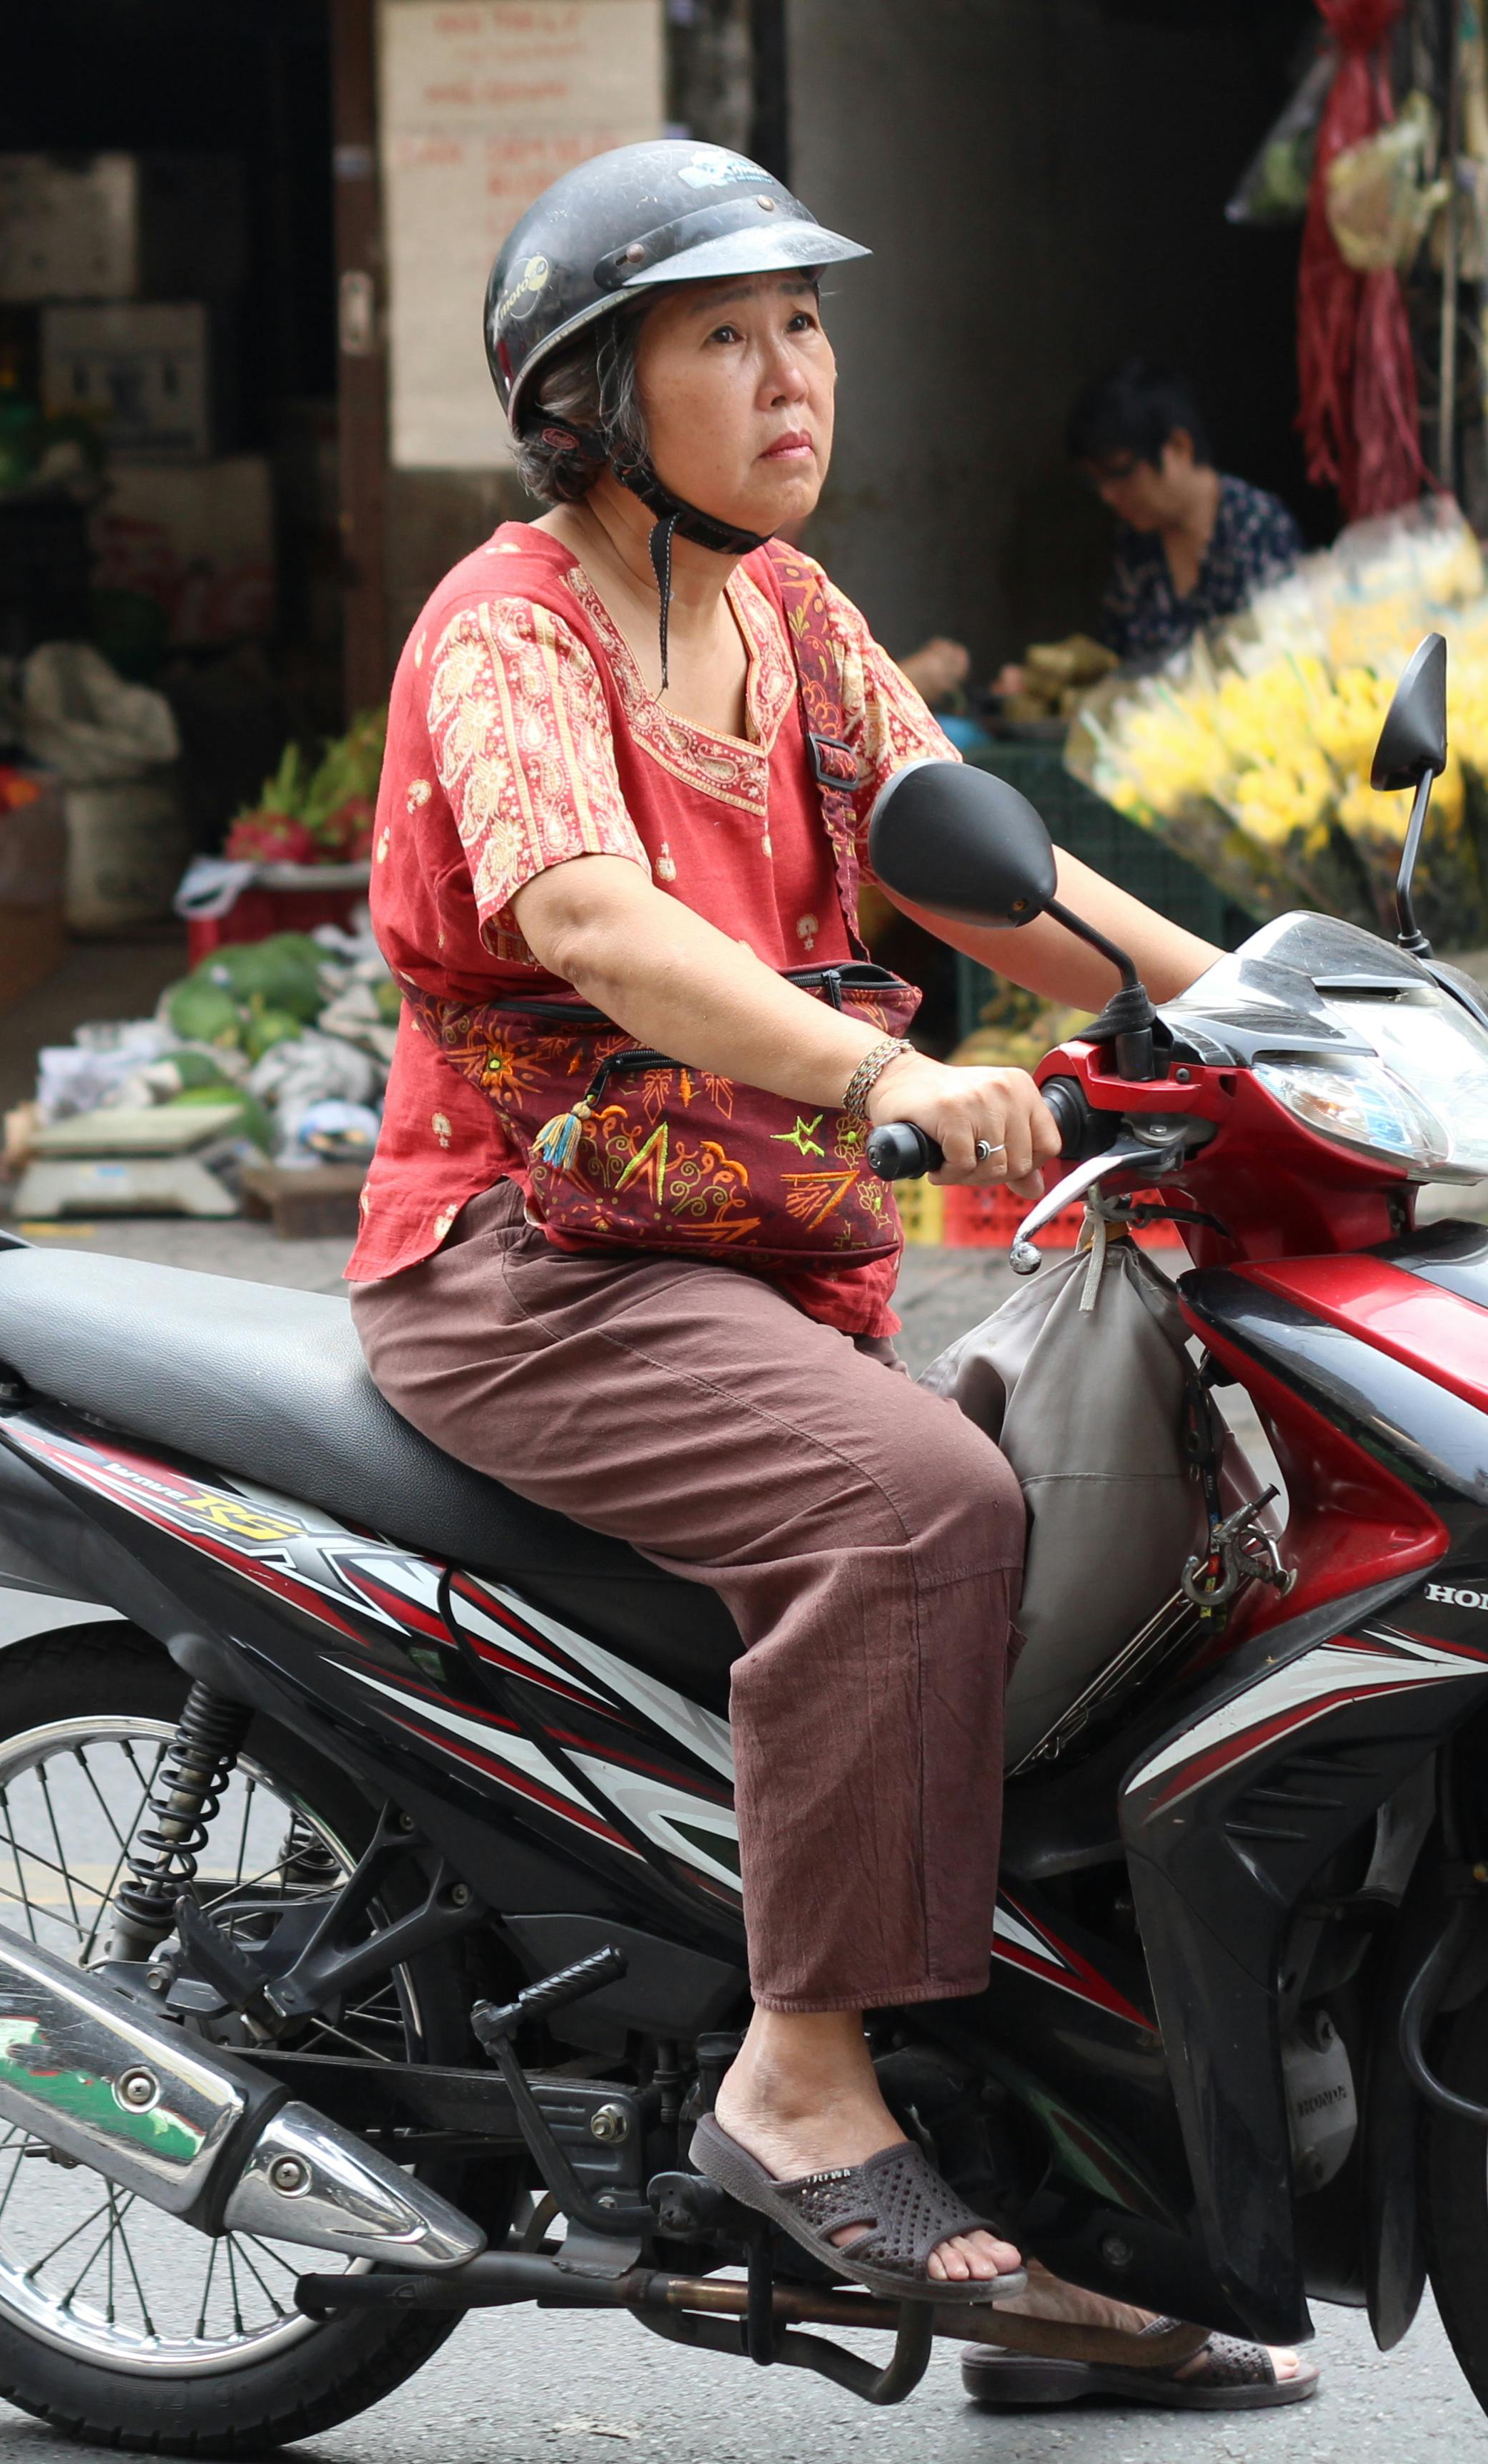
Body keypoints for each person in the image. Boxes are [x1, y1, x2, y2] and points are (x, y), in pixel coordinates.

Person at [345, 140, 1315, 2409]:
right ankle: (796, 2080)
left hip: (741, 1252)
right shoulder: (508, 630)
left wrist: (1284, 1015)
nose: (795, 375)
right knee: (922, 1509)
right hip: (530, 1261)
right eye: (726, 334)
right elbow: (588, 918)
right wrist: (878, 1090)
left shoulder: (787, 618)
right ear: (593, 397)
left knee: (1112, 1564)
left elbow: (993, 871)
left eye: (806, 325)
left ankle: (1048, 2218)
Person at [1051, 359, 1305, 669]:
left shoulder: (1258, 526)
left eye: (1120, 474)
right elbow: (1117, 662)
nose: (1108, 495)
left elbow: (1284, 657)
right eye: (1098, 481)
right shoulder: (1136, 544)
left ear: (1179, 448)